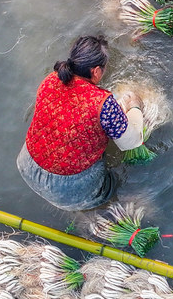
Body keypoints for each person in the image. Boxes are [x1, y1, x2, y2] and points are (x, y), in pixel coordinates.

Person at [17, 35, 144, 211]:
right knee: (113, 186)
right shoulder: (103, 104)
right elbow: (131, 142)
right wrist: (135, 107)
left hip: (28, 167)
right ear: (96, 71)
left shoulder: (51, 80)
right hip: (68, 190)